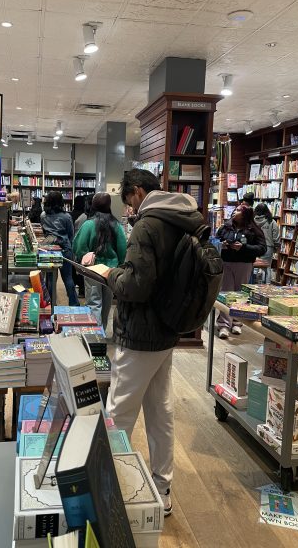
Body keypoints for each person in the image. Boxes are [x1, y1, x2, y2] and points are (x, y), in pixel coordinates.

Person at [101, 169, 206, 517]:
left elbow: (136, 286)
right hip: (167, 329)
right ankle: (162, 487)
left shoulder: (147, 225)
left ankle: (107, 485)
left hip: (141, 332)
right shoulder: (182, 218)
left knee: (118, 410)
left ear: (140, 192)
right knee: (161, 410)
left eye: (129, 198)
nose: (129, 207)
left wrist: (110, 273)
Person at [73, 192, 126, 329]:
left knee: (93, 302)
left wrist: (83, 257)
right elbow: (122, 249)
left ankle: (95, 336)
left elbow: (78, 247)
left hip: (92, 269)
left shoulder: (88, 224)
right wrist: (120, 265)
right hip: (111, 270)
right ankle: (102, 329)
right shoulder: (117, 225)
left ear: (93, 205)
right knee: (107, 301)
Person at [216, 204, 266, 338]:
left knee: (240, 294)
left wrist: (243, 248)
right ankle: (224, 325)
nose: (234, 212)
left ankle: (237, 323)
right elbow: (215, 239)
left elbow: (262, 249)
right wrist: (223, 244)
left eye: (238, 210)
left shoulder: (254, 230)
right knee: (225, 293)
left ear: (245, 214)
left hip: (244, 264)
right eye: (235, 209)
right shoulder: (226, 226)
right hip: (226, 263)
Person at [41, 191, 79, 306]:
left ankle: (52, 304)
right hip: (65, 249)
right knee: (68, 278)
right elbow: (71, 234)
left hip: (49, 249)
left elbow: (44, 233)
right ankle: (74, 304)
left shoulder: (43, 215)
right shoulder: (66, 216)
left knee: (51, 279)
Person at [254, 203, 280, 283]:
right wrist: (276, 245)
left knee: (255, 266)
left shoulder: (253, 221)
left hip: (255, 246)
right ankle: (267, 285)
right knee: (267, 267)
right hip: (268, 247)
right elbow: (275, 235)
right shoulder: (271, 221)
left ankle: (253, 283)